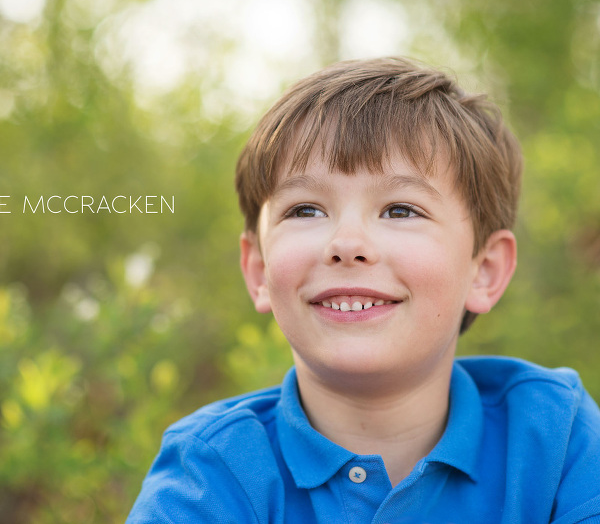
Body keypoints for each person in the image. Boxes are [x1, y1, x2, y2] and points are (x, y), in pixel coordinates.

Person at [127, 58, 600, 523]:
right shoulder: (212, 471)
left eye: (400, 210)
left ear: (485, 271)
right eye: (306, 210)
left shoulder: (554, 436)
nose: (347, 244)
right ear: (258, 270)